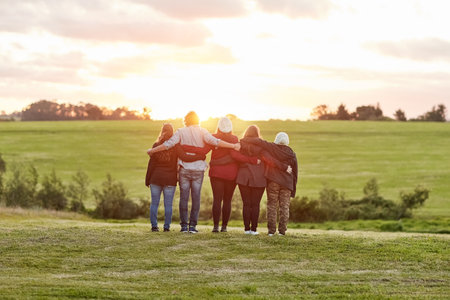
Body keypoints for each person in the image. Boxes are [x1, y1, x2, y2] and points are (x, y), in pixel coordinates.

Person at [147, 111, 240, 234]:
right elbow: (216, 142)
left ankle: (184, 226)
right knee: (196, 198)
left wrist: (153, 150)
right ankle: (193, 227)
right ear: (198, 120)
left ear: (186, 120)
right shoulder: (203, 132)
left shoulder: (180, 131)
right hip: (198, 170)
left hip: (184, 169)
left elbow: (168, 144)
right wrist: (233, 146)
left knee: (184, 198)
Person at [145, 123, 206, 232]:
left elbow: (151, 165)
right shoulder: (175, 146)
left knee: (154, 203)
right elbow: (180, 161)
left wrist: (147, 180)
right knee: (168, 204)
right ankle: (166, 227)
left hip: (156, 178)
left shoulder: (156, 146)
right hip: (169, 179)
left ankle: (154, 226)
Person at [234, 125, 289, 235]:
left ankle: (246, 229)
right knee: (255, 204)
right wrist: (284, 167)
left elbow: (237, 158)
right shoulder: (262, 147)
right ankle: (254, 229)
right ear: (257, 134)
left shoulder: (240, 145)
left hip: (243, 177)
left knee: (246, 204)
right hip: (258, 178)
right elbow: (269, 160)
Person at [208, 117, 260, 233]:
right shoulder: (234, 138)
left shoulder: (213, 137)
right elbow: (234, 156)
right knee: (227, 200)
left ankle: (216, 226)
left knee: (217, 199)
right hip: (231, 174)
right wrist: (252, 160)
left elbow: (205, 150)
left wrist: (213, 162)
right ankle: (224, 227)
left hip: (216, 173)